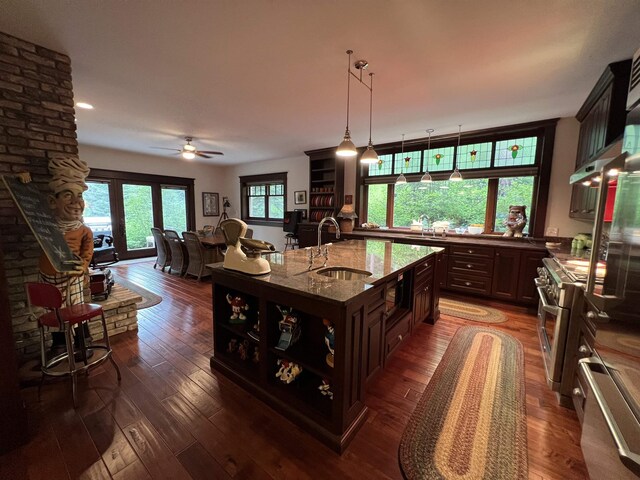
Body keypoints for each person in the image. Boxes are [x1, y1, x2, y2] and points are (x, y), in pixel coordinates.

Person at [38, 155, 94, 355]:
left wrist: (84, 266)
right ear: (53, 201)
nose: (76, 202)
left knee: (78, 308)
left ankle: (83, 341)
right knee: (53, 310)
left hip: (73, 278)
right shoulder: (45, 228)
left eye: (79, 196)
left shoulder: (84, 231)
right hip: (48, 277)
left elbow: (87, 254)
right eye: (68, 195)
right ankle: (59, 343)